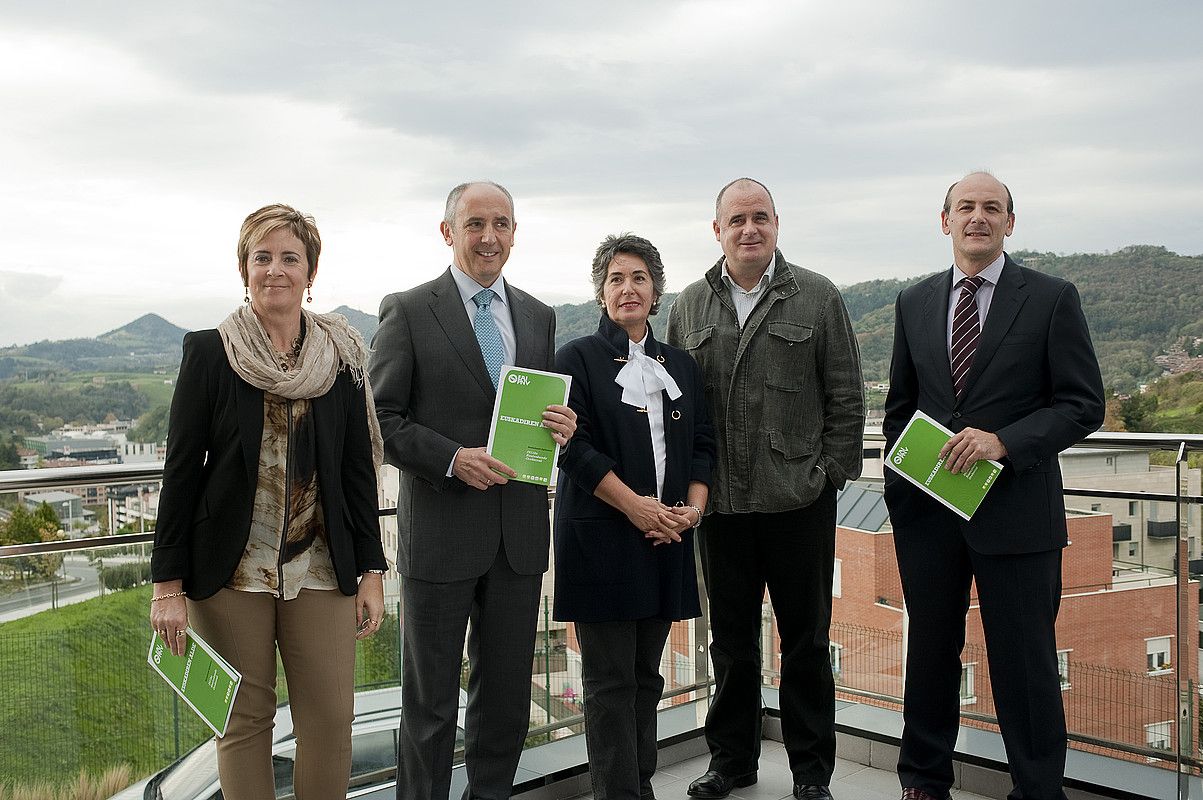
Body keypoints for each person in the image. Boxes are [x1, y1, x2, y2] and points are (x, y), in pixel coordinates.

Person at [150, 203, 388, 799]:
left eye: (290, 258)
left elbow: (357, 471)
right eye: (262, 257)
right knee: (242, 724)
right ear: (244, 269)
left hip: (321, 567)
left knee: (330, 723)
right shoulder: (210, 352)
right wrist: (167, 586)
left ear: (310, 273)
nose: (275, 270)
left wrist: (373, 568)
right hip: (230, 572)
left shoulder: (341, 357)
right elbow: (181, 470)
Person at [883, 172, 1105, 800]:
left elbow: (1083, 405)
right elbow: (901, 409)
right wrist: (909, 486)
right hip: (930, 516)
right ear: (944, 220)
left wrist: (1003, 442)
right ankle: (923, 781)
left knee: (1025, 665)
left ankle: (1037, 790)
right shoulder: (914, 301)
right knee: (929, 656)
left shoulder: (1052, 298)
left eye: (991, 208)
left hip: (1016, 514)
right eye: (965, 207)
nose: (977, 217)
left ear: (1011, 222)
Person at [368, 181, 577, 800]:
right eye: (476, 223)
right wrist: (452, 458)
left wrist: (564, 425)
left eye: (503, 224)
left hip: (517, 539)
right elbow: (380, 419)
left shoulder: (538, 315)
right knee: (430, 707)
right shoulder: (407, 310)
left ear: (515, 233)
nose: (490, 236)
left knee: (506, 703)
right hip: (441, 535)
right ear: (448, 231)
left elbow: (530, 413)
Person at [666, 178, 864, 800]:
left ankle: (812, 773)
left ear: (778, 224)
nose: (749, 229)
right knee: (730, 643)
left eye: (761, 218)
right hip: (720, 506)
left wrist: (830, 473)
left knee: (807, 643)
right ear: (717, 230)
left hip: (799, 501)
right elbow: (675, 406)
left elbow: (846, 394)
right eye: (737, 220)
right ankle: (731, 763)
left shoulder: (818, 296)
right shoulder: (689, 307)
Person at [554, 234, 716, 800]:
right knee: (609, 681)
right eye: (617, 279)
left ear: (656, 291)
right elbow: (573, 450)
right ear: (601, 293)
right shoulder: (575, 357)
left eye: (639, 278)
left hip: (664, 538)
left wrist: (690, 511)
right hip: (600, 539)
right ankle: (616, 793)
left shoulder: (681, 365)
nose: (629, 289)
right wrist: (639, 508)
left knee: (648, 677)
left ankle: (639, 787)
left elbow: (700, 444)